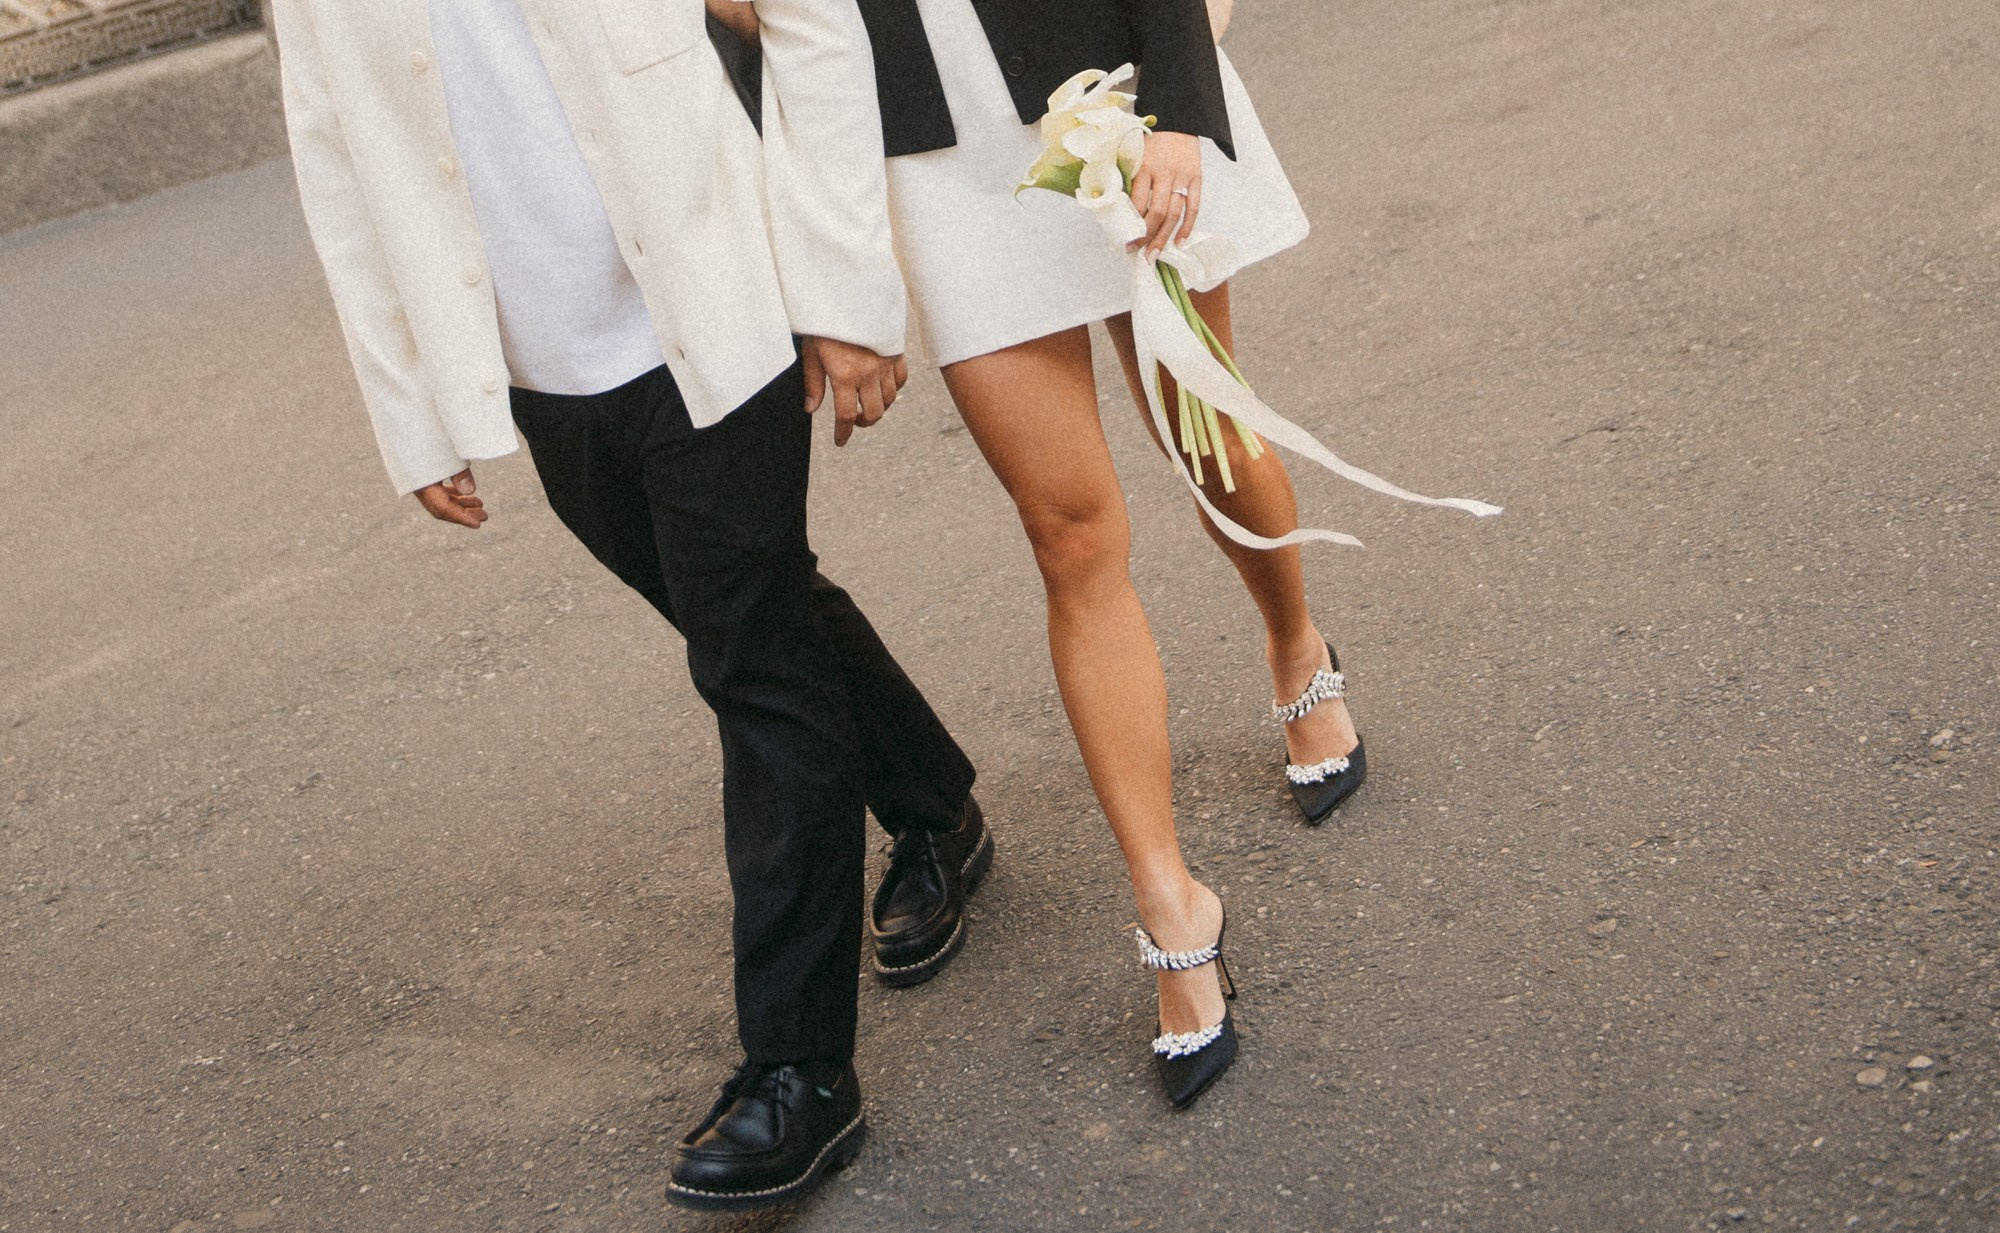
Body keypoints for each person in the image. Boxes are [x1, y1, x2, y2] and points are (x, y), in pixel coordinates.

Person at [270, 0, 987, 1209]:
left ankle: (799, 1071)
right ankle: (937, 807)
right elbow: (334, 151)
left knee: (750, 658)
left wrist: (843, 288)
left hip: (715, 302)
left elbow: (809, 25)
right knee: (754, 620)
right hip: (541, 369)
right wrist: (412, 402)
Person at [860, 0, 1354, 1106]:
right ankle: (1170, 903)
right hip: (931, 159)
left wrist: (1177, 108)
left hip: (1103, 89)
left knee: (1207, 444)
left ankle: (1292, 642)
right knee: (1066, 533)